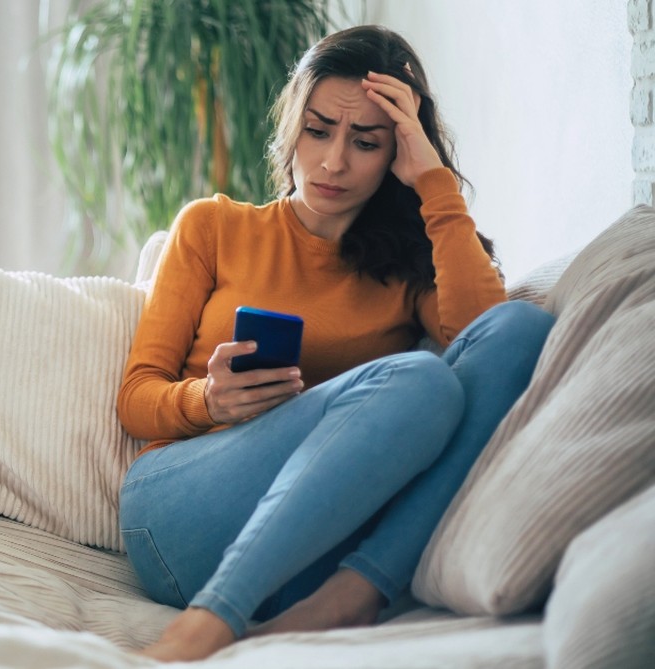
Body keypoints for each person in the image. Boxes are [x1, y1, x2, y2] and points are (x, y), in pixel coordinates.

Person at [115, 25, 555, 663]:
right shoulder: (214, 227)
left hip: (314, 557)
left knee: (524, 329)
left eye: (367, 142)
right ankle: (210, 620)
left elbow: (490, 340)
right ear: (293, 125)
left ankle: (354, 593)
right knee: (417, 378)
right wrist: (209, 401)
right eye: (318, 130)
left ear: (398, 149)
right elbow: (135, 397)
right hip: (181, 516)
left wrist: (434, 182)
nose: (333, 162)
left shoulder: (410, 266)